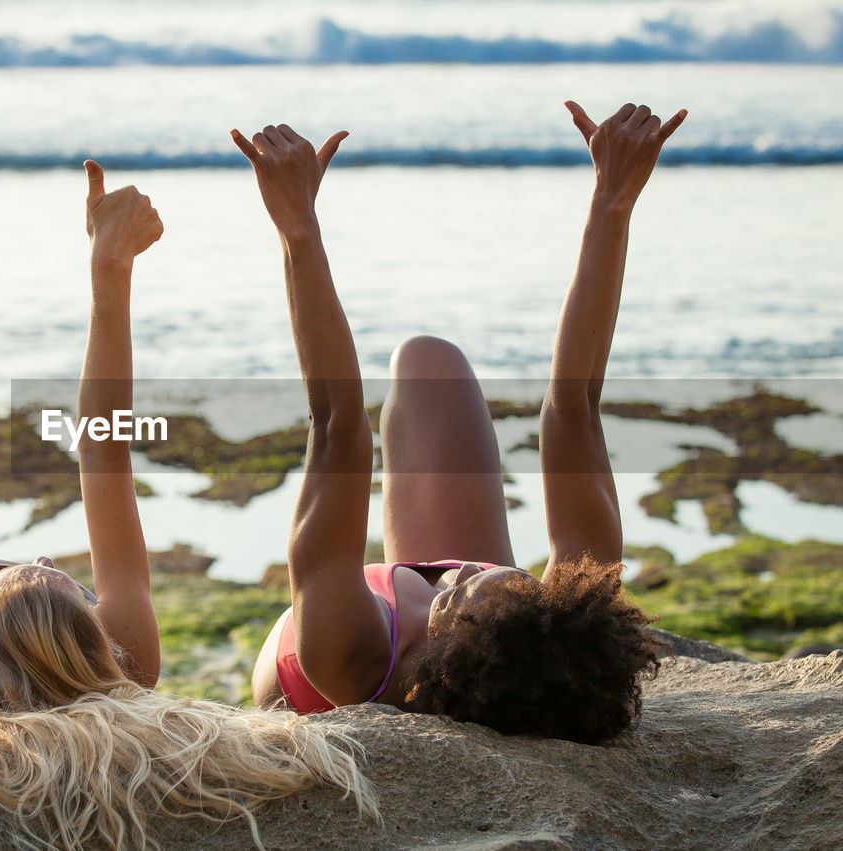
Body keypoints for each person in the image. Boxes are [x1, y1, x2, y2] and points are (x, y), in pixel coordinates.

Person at [0, 166, 376, 848]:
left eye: (38, 573)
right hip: (4, 647)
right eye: (69, 585)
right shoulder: (123, 649)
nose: (44, 555)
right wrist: (111, 272)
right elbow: (104, 452)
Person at [236, 101, 686, 745]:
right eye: (500, 582)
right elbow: (575, 406)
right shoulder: (561, 626)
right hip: (474, 651)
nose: (459, 573)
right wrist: (614, 201)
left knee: (370, 425)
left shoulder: (349, 655)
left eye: (456, 595)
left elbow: (336, 424)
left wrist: (296, 225)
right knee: (429, 364)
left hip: (322, 666)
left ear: (447, 642)